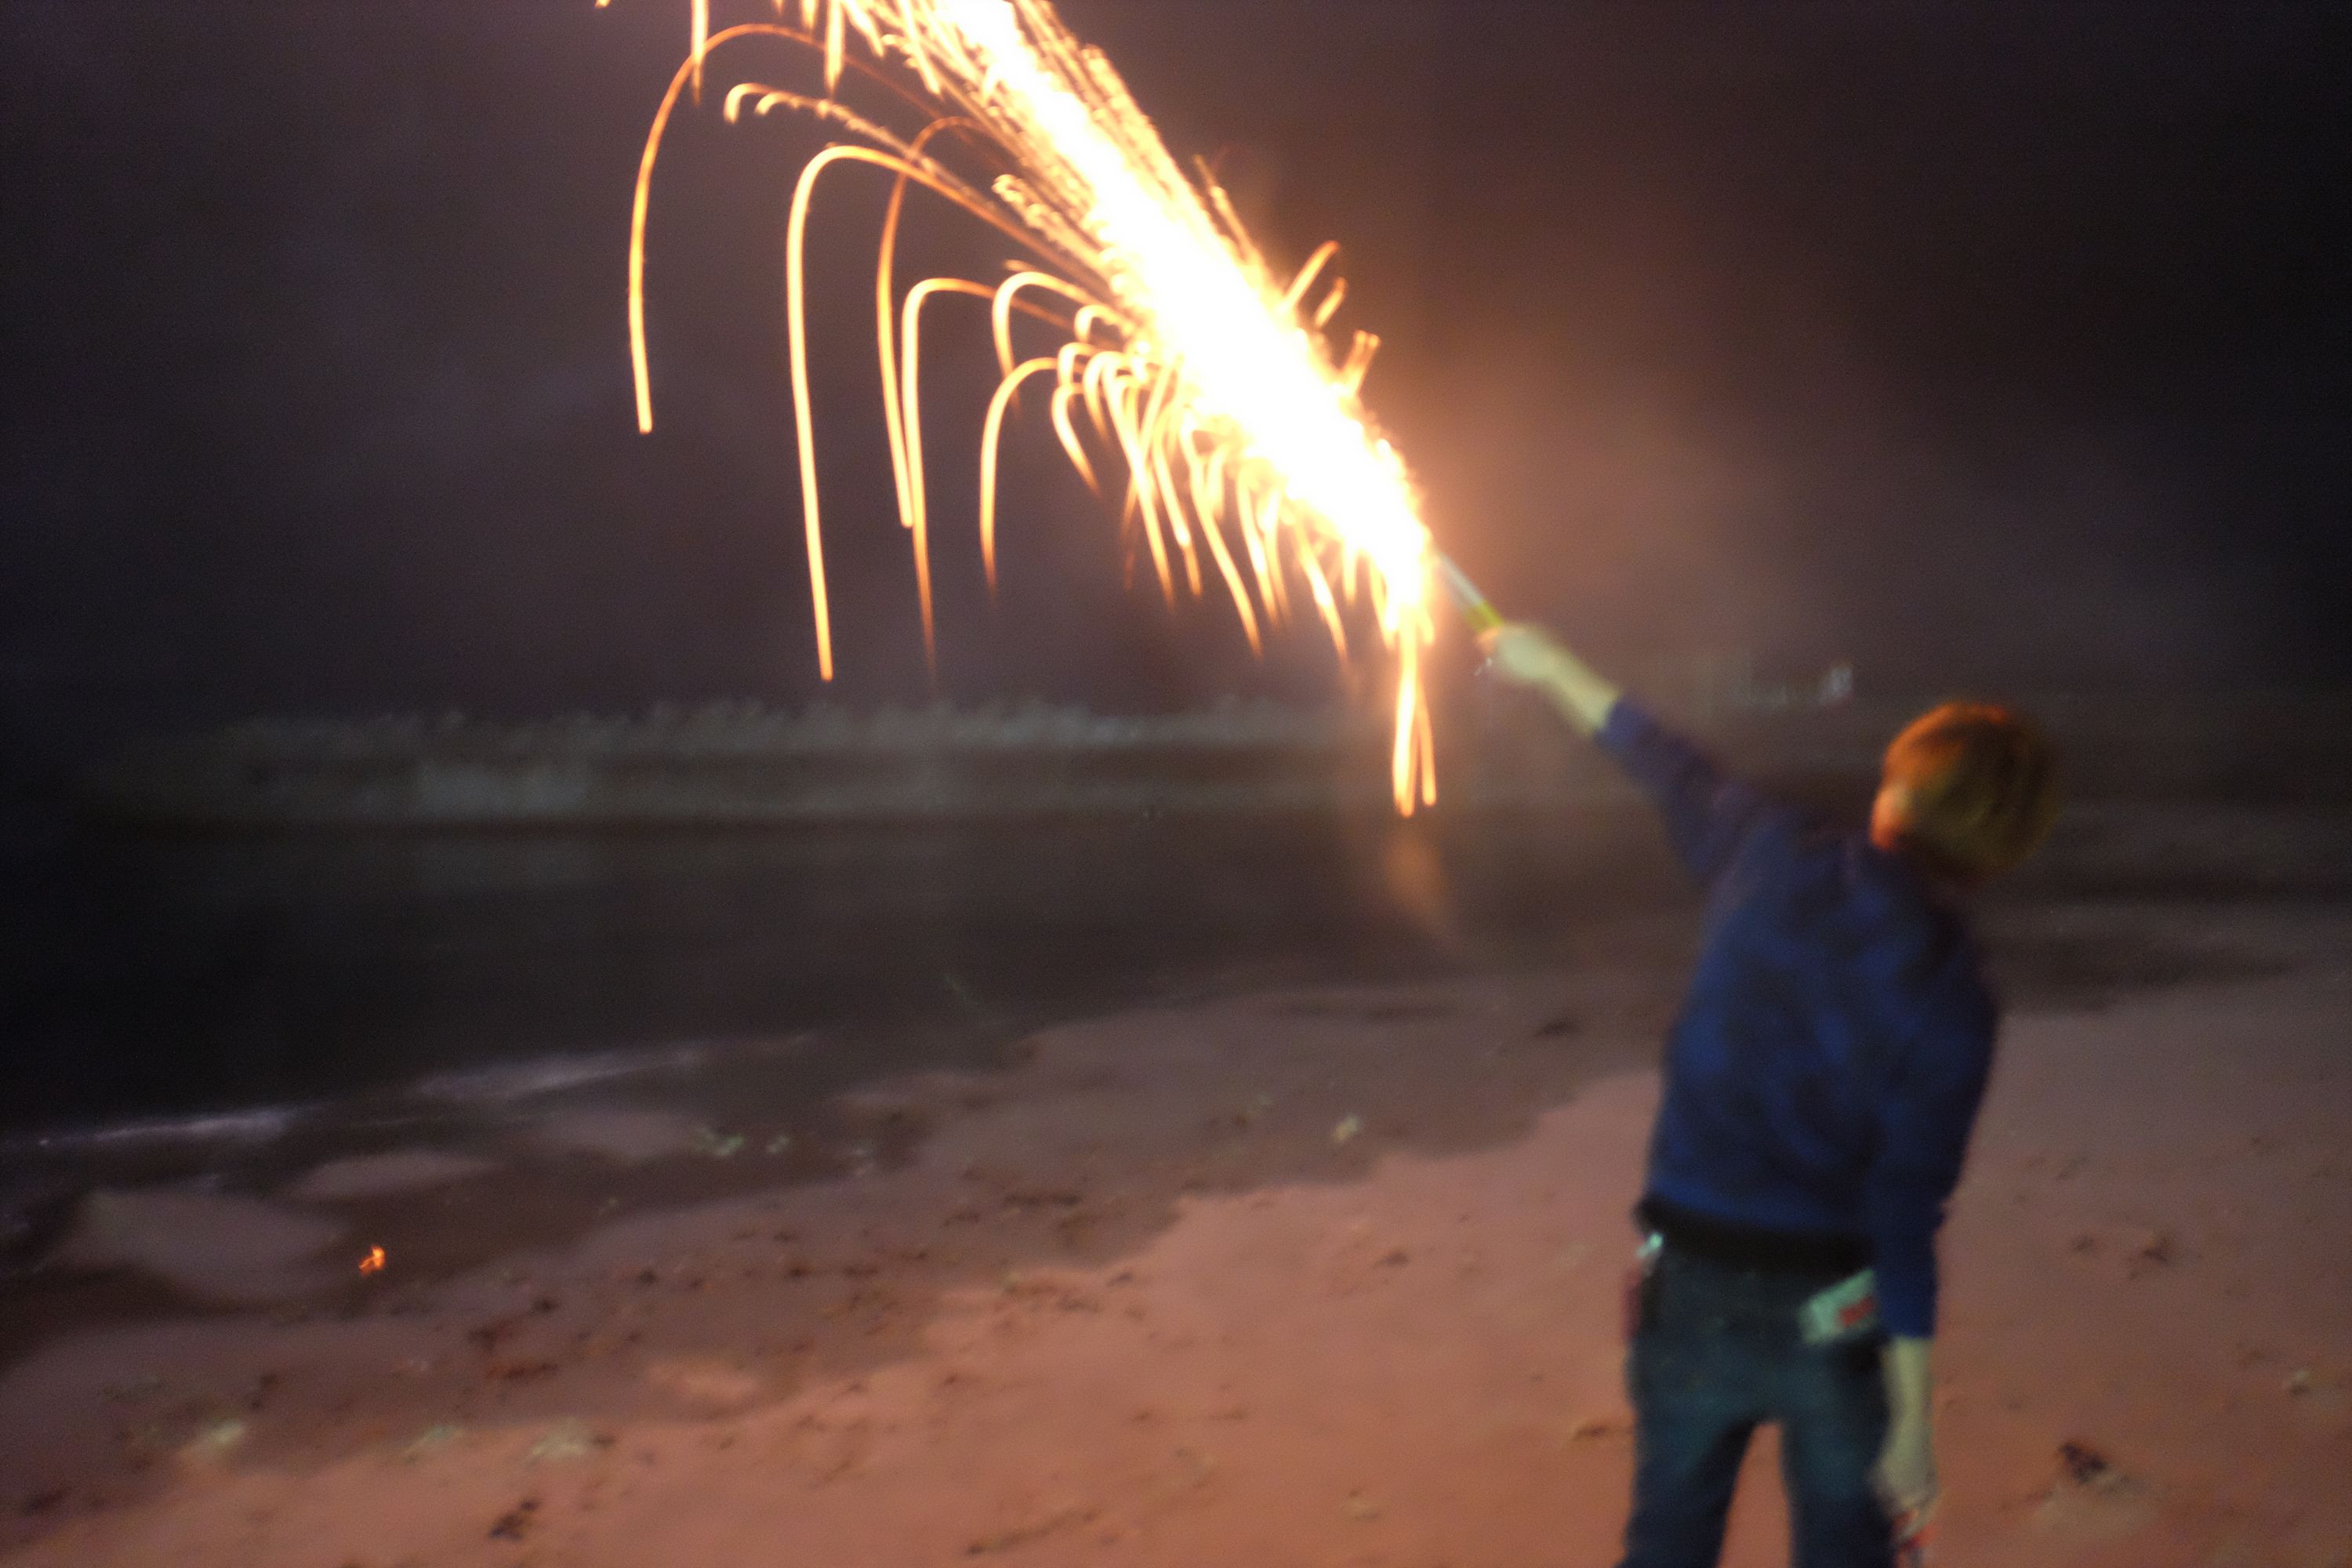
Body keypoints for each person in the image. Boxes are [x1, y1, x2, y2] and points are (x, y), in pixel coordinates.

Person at [1481, 623, 2059, 1568]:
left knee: (1667, 1543)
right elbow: (1906, 1214)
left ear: (1898, 788)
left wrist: (1546, 666)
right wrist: (1913, 1426)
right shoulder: (1959, 996)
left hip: (1688, 1291)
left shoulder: (1769, 847)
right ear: (2001, 850)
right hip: (1834, 1314)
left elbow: (1660, 757)